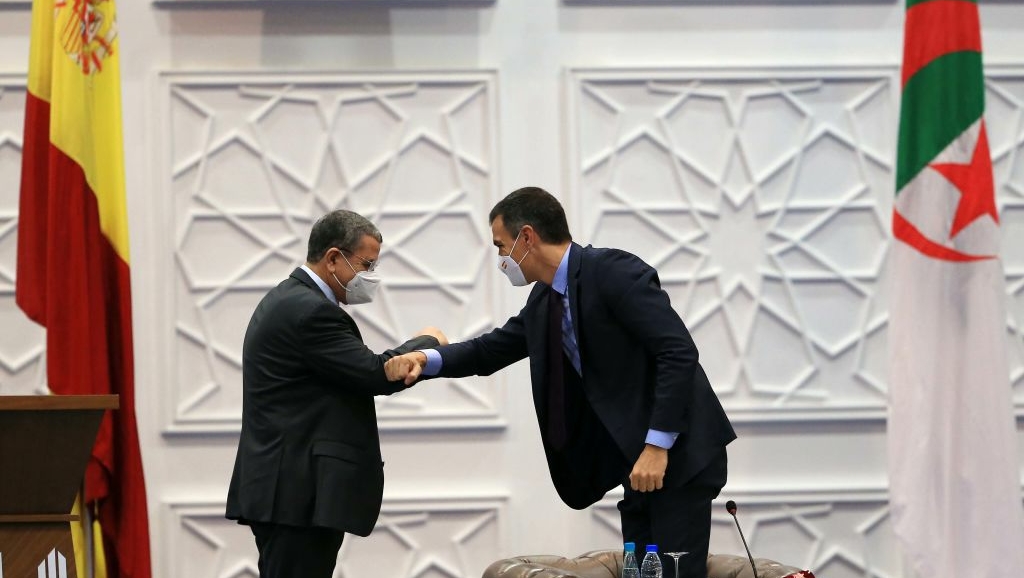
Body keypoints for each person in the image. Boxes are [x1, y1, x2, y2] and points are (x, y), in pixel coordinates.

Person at [384, 187, 736, 578]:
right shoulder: (545, 300)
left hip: (678, 454)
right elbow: (490, 350)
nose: (501, 259)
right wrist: (425, 359)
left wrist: (657, 445)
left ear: (527, 237)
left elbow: (678, 352)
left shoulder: (613, 271)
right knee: (641, 573)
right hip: (634, 463)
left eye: (501, 246)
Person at [226, 210, 447, 578]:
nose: (370, 276)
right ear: (332, 258)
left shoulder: (289, 298)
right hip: (297, 495)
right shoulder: (311, 311)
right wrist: (429, 342)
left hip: (285, 491)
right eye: (366, 264)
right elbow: (374, 373)